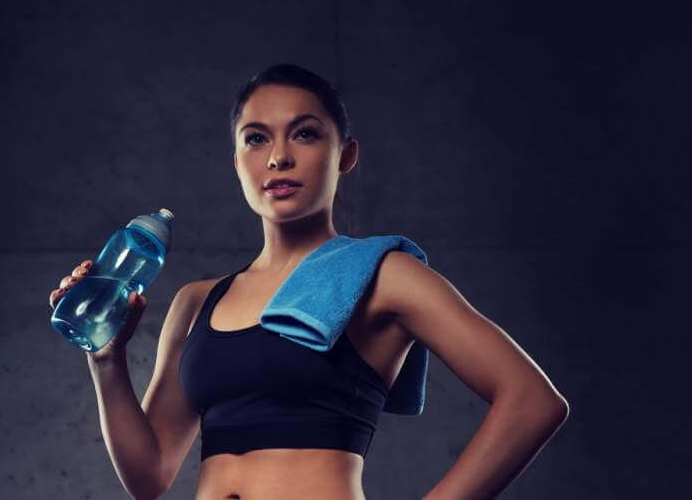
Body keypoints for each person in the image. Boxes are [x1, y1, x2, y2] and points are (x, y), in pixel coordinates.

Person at [48, 63, 569, 500]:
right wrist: (106, 359)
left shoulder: (383, 274)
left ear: (345, 154)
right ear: (237, 162)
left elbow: (532, 400)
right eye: (257, 138)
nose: (279, 156)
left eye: (305, 133)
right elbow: (150, 476)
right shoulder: (196, 302)